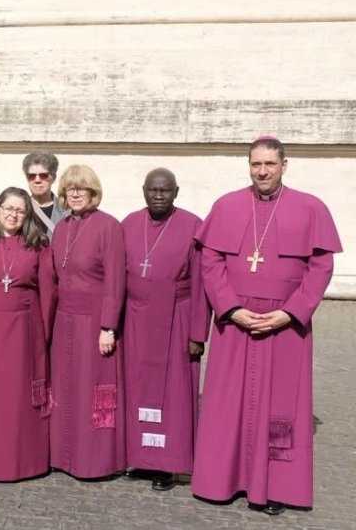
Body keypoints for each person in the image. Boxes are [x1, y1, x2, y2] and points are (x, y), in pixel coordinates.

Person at [192, 136, 342, 515]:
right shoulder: (226, 206)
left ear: (284, 165)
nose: (262, 171)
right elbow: (210, 262)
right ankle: (222, 481)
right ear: (249, 165)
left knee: (281, 406)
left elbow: (321, 266)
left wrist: (291, 312)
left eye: (270, 165)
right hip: (235, 323)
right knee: (226, 404)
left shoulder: (311, 208)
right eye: (256, 164)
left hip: (285, 325)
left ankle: (275, 487)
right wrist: (230, 307)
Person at [121, 168, 211, 491]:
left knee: (173, 394)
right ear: (143, 191)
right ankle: (141, 458)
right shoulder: (129, 224)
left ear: (177, 191)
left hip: (177, 316)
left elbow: (202, 283)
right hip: (135, 318)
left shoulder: (193, 225)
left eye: (166, 190)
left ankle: (168, 465)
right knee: (136, 387)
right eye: (153, 190)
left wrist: (197, 334)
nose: (159, 195)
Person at [49, 164, 126, 479]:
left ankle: (95, 462)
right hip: (63, 320)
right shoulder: (62, 227)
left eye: (82, 189)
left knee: (94, 390)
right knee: (66, 389)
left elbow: (115, 281)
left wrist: (108, 327)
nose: (76, 194)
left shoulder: (108, 226)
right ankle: (63, 456)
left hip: (94, 322)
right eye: (70, 189)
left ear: (93, 192)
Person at [0, 187, 56, 482]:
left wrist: (43, 335)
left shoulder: (38, 245)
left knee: (20, 399)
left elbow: (48, 292)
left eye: (20, 211)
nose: (13, 215)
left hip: (25, 330)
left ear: (28, 215)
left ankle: (26, 462)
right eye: (8, 208)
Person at [22, 150, 68, 239]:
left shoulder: (68, 211)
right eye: (31, 176)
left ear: (53, 178)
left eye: (43, 175)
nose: (37, 180)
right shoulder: (21, 210)